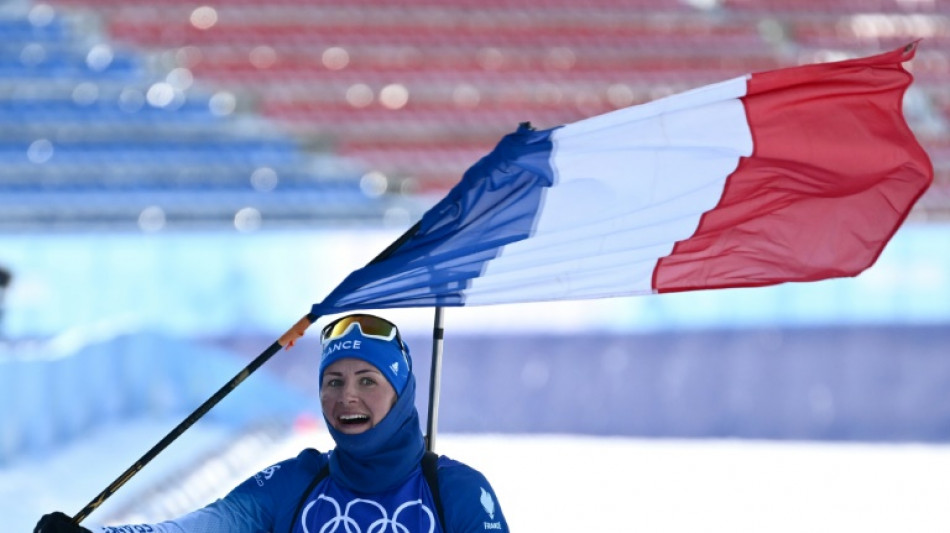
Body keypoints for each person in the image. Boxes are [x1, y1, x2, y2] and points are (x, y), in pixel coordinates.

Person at [35, 313, 509, 533]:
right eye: (333, 381)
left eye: (368, 381)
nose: (346, 396)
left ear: (401, 393)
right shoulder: (296, 483)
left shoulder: (457, 492)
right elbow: (200, 528)